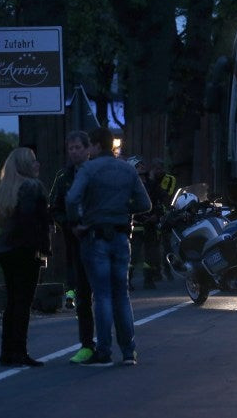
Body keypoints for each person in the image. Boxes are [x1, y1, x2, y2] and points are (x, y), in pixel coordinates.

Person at [66, 127, 151, 366]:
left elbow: (72, 199)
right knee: (121, 295)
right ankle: (128, 351)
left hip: (95, 236)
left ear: (94, 146)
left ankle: (103, 351)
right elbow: (145, 204)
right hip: (121, 236)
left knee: (101, 296)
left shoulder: (88, 169)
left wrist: (77, 222)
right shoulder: (127, 169)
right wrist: (122, 209)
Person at [0, 147, 51, 367]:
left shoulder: (6, 188)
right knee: (23, 302)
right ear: (26, 165)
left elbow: (2, 221)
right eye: (33, 161)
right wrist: (43, 247)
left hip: (6, 249)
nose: (37, 164)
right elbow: (32, 221)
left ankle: (7, 351)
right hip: (25, 250)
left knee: (12, 302)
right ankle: (20, 350)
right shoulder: (32, 187)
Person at [49, 130, 96, 364]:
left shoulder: (98, 171)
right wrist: (69, 224)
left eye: (78, 147)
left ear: (88, 149)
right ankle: (87, 343)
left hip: (100, 240)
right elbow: (54, 206)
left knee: (109, 294)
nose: (75, 151)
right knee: (83, 295)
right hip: (75, 243)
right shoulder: (63, 176)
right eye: (71, 148)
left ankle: (121, 344)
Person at [126, 156, 162, 290]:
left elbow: (160, 202)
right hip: (135, 225)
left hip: (150, 224)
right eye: (138, 166)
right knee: (133, 254)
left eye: (142, 165)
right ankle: (128, 280)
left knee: (151, 254)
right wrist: (131, 217)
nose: (142, 167)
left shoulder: (152, 184)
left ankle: (149, 279)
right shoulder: (128, 186)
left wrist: (156, 216)